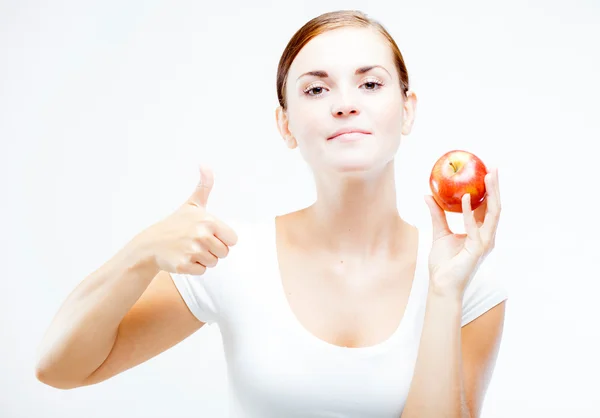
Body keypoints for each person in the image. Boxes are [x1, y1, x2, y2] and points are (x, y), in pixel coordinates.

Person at [35, 9, 508, 418]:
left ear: (407, 111)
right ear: (285, 124)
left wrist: (445, 292)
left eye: (369, 83)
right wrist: (141, 253)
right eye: (316, 90)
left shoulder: (466, 274)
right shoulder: (230, 256)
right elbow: (59, 368)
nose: (345, 104)